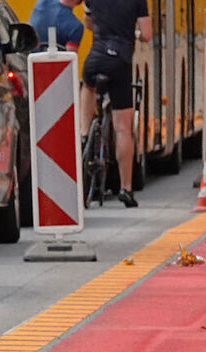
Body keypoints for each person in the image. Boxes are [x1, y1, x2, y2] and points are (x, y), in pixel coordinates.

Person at [80, 0, 152, 207]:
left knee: (88, 85)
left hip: (96, 57)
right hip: (120, 60)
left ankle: (84, 134)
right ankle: (126, 188)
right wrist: (134, 34)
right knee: (122, 128)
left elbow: (88, 23)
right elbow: (146, 35)